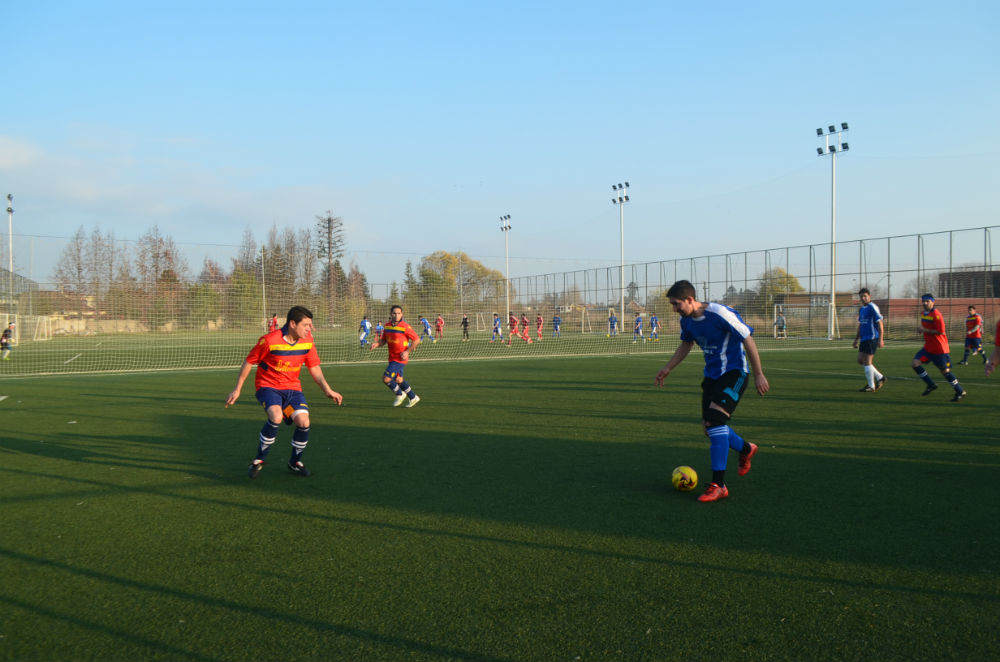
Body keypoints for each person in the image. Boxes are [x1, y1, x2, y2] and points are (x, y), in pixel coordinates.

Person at [654, 280, 769, 503]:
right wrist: (668, 368)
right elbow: (686, 345)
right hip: (712, 377)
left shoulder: (720, 313)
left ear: (690, 299)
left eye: (676, 304)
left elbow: (747, 338)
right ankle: (746, 449)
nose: (674, 309)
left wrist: (758, 374)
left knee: (715, 423)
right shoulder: (686, 321)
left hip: (735, 373)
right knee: (710, 429)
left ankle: (719, 485)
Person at [226, 306, 343, 479]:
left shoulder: (308, 341)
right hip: (267, 386)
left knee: (303, 421)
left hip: (292, 388)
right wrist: (237, 389)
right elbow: (249, 361)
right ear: (293, 324)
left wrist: (327, 389)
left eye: (310, 325)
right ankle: (258, 460)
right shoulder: (269, 340)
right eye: (306, 325)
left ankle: (295, 462)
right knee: (276, 416)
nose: (309, 329)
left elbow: (314, 367)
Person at [911, 294, 966, 401]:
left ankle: (960, 391)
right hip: (928, 347)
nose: (925, 303)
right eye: (923, 301)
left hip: (939, 348)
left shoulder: (937, 314)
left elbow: (941, 331)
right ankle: (931, 384)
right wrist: (921, 330)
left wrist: (924, 330)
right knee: (915, 363)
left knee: (945, 372)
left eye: (927, 301)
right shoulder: (923, 313)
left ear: (933, 302)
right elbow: (926, 328)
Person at [370, 304, 422, 407]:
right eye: (394, 313)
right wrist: (377, 344)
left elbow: (417, 339)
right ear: (391, 314)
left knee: (386, 379)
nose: (396, 315)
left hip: (400, 358)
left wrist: (407, 351)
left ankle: (400, 394)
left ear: (402, 314)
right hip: (392, 357)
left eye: (399, 313)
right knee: (399, 380)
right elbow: (383, 340)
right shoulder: (387, 326)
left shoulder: (405, 326)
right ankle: (413, 397)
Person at [852, 288, 886, 392]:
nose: (863, 298)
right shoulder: (862, 309)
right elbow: (861, 325)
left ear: (869, 296)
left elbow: (880, 324)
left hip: (872, 338)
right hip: (864, 339)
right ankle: (880, 377)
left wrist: (881, 339)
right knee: (860, 360)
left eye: (865, 296)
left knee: (867, 361)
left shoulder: (873, 307)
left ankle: (871, 386)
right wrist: (856, 340)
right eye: (861, 296)